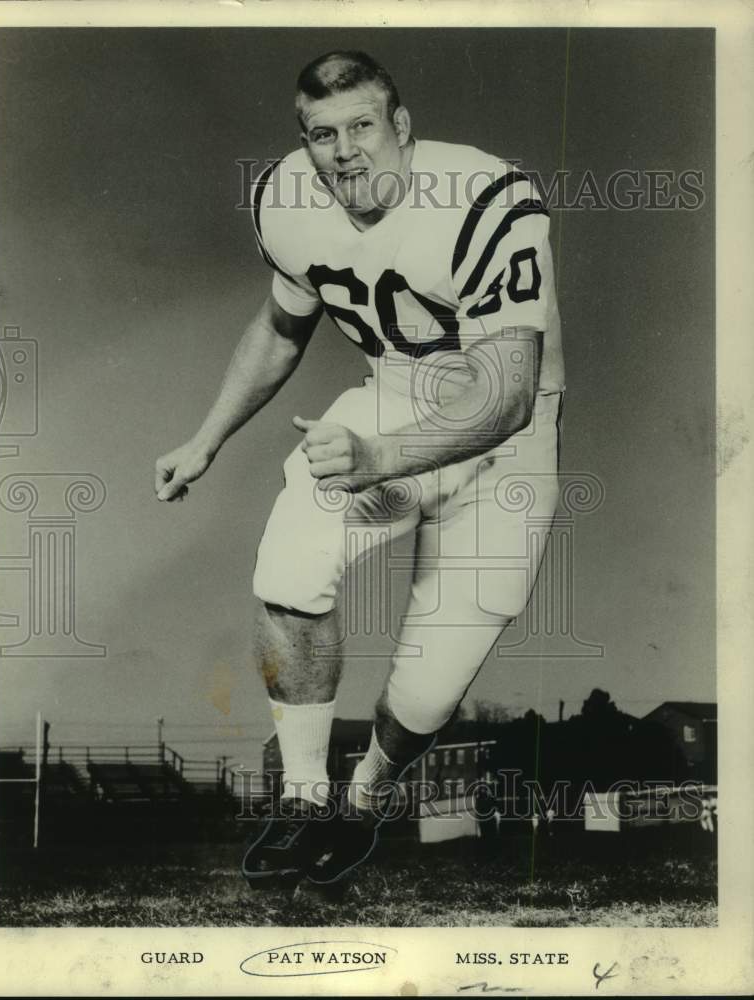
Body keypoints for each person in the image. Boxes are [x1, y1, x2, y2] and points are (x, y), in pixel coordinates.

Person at [154, 50, 565, 889]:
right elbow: (281, 325)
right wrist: (208, 437)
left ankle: (362, 799)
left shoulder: (484, 198)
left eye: (363, 127)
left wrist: (377, 458)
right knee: (287, 562)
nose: (344, 152)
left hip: (505, 439)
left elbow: (508, 397)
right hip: (394, 393)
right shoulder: (290, 198)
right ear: (303, 141)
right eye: (322, 134)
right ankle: (305, 801)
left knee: (426, 695)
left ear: (402, 129)